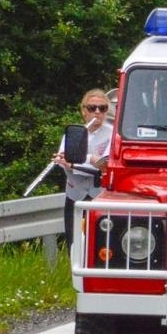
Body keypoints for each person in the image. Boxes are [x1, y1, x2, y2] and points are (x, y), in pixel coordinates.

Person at [55, 88, 114, 245]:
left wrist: (80, 160)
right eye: (92, 108)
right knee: (73, 244)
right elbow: (63, 160)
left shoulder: (113, 134)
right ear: (83, 111)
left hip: (99, 197)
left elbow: (104, 165)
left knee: (99, 245)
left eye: (102, 108)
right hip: (75, 195)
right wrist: (91, 160)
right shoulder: (73, 133)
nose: (97, 112)